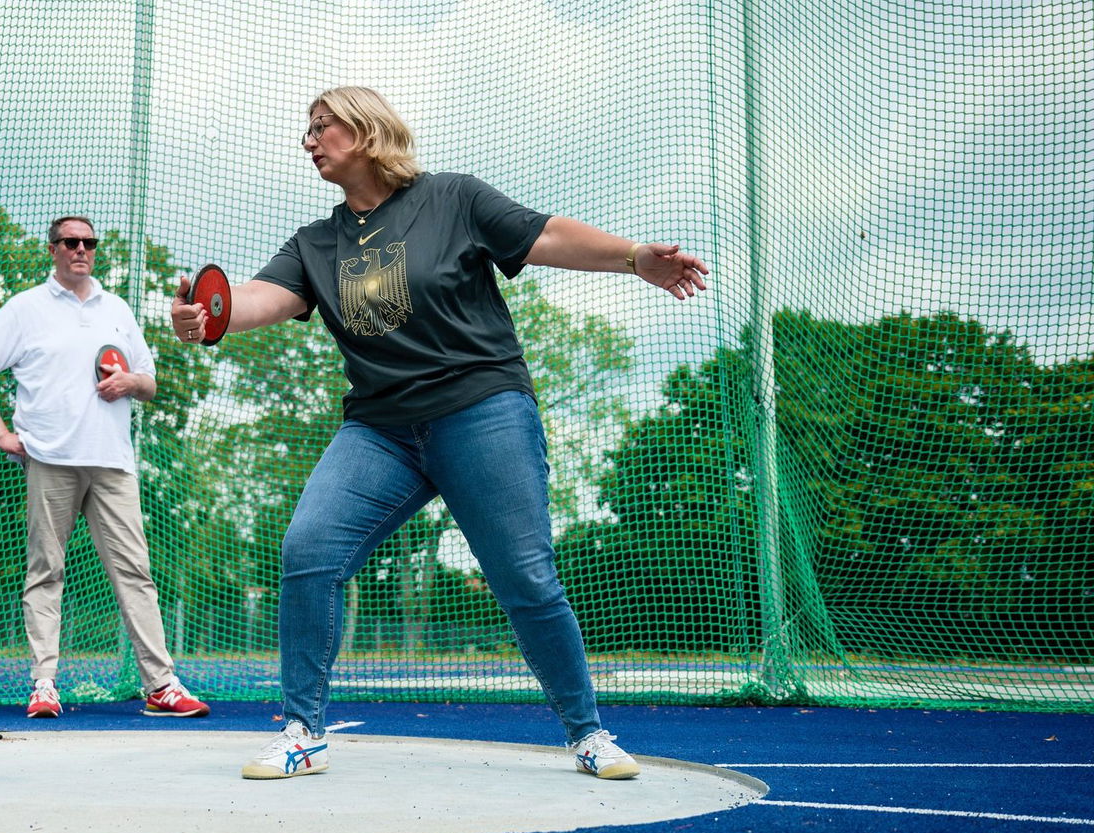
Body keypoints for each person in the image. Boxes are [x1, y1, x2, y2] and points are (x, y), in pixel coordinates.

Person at [171, 87, 707, 779]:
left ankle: (588, 734)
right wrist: (206, 314)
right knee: (309, 549)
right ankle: (302, 730)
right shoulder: (315, 243)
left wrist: (634, 257)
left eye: (320, 127)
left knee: (524, 578)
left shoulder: (453, 198)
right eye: (305, 132)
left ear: (364, 131)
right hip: (381, 430)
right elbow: (255, 300)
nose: (308, 142)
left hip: (480, 408)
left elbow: (545, 235)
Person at [0, 216, 209, 720]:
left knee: (135, 574)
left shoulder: (115, 308)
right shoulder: (25, 308)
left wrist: (129, 383)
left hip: (113, 463)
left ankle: (160, 685)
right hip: (50, 459)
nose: (81, 250)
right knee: (45, 571)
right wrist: (3, 436)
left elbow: (150, 381)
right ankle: (44, 684)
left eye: (89, 243)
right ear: (52, 249)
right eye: (71, 242)